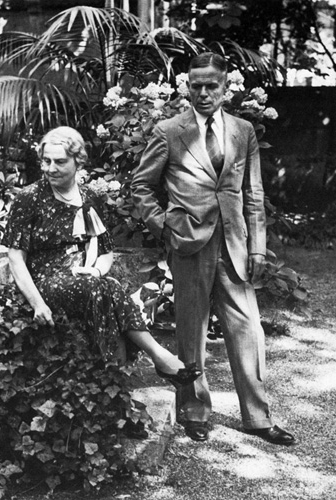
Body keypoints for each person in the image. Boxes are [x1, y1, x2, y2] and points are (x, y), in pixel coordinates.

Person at [131, 53, 295, 445]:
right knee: (192, 328)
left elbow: (253, 193)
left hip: (235, 243)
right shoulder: (169, 130)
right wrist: (167, 227)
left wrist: (258, 248)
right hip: (189, 243)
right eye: (196, 85)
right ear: (187, 86)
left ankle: (257, 417)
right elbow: (141, 187)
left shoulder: (243, 131)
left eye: (211, 86)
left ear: (225, 89)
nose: (203, 93)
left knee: (249, 329)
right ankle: (194, 410)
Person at [2, 126, 200, 437]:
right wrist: (37, 303)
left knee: (102, 287)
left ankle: (118, 407)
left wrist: (95, 270)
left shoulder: (90, 197)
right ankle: (156, 360)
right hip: (46, 279)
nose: (50, 169)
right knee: (105, 289)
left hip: (85, 279)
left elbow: (105, 253)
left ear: (77, 162)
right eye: (46, 162)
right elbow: (15, 259)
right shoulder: (29, 198)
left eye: (59, 162)